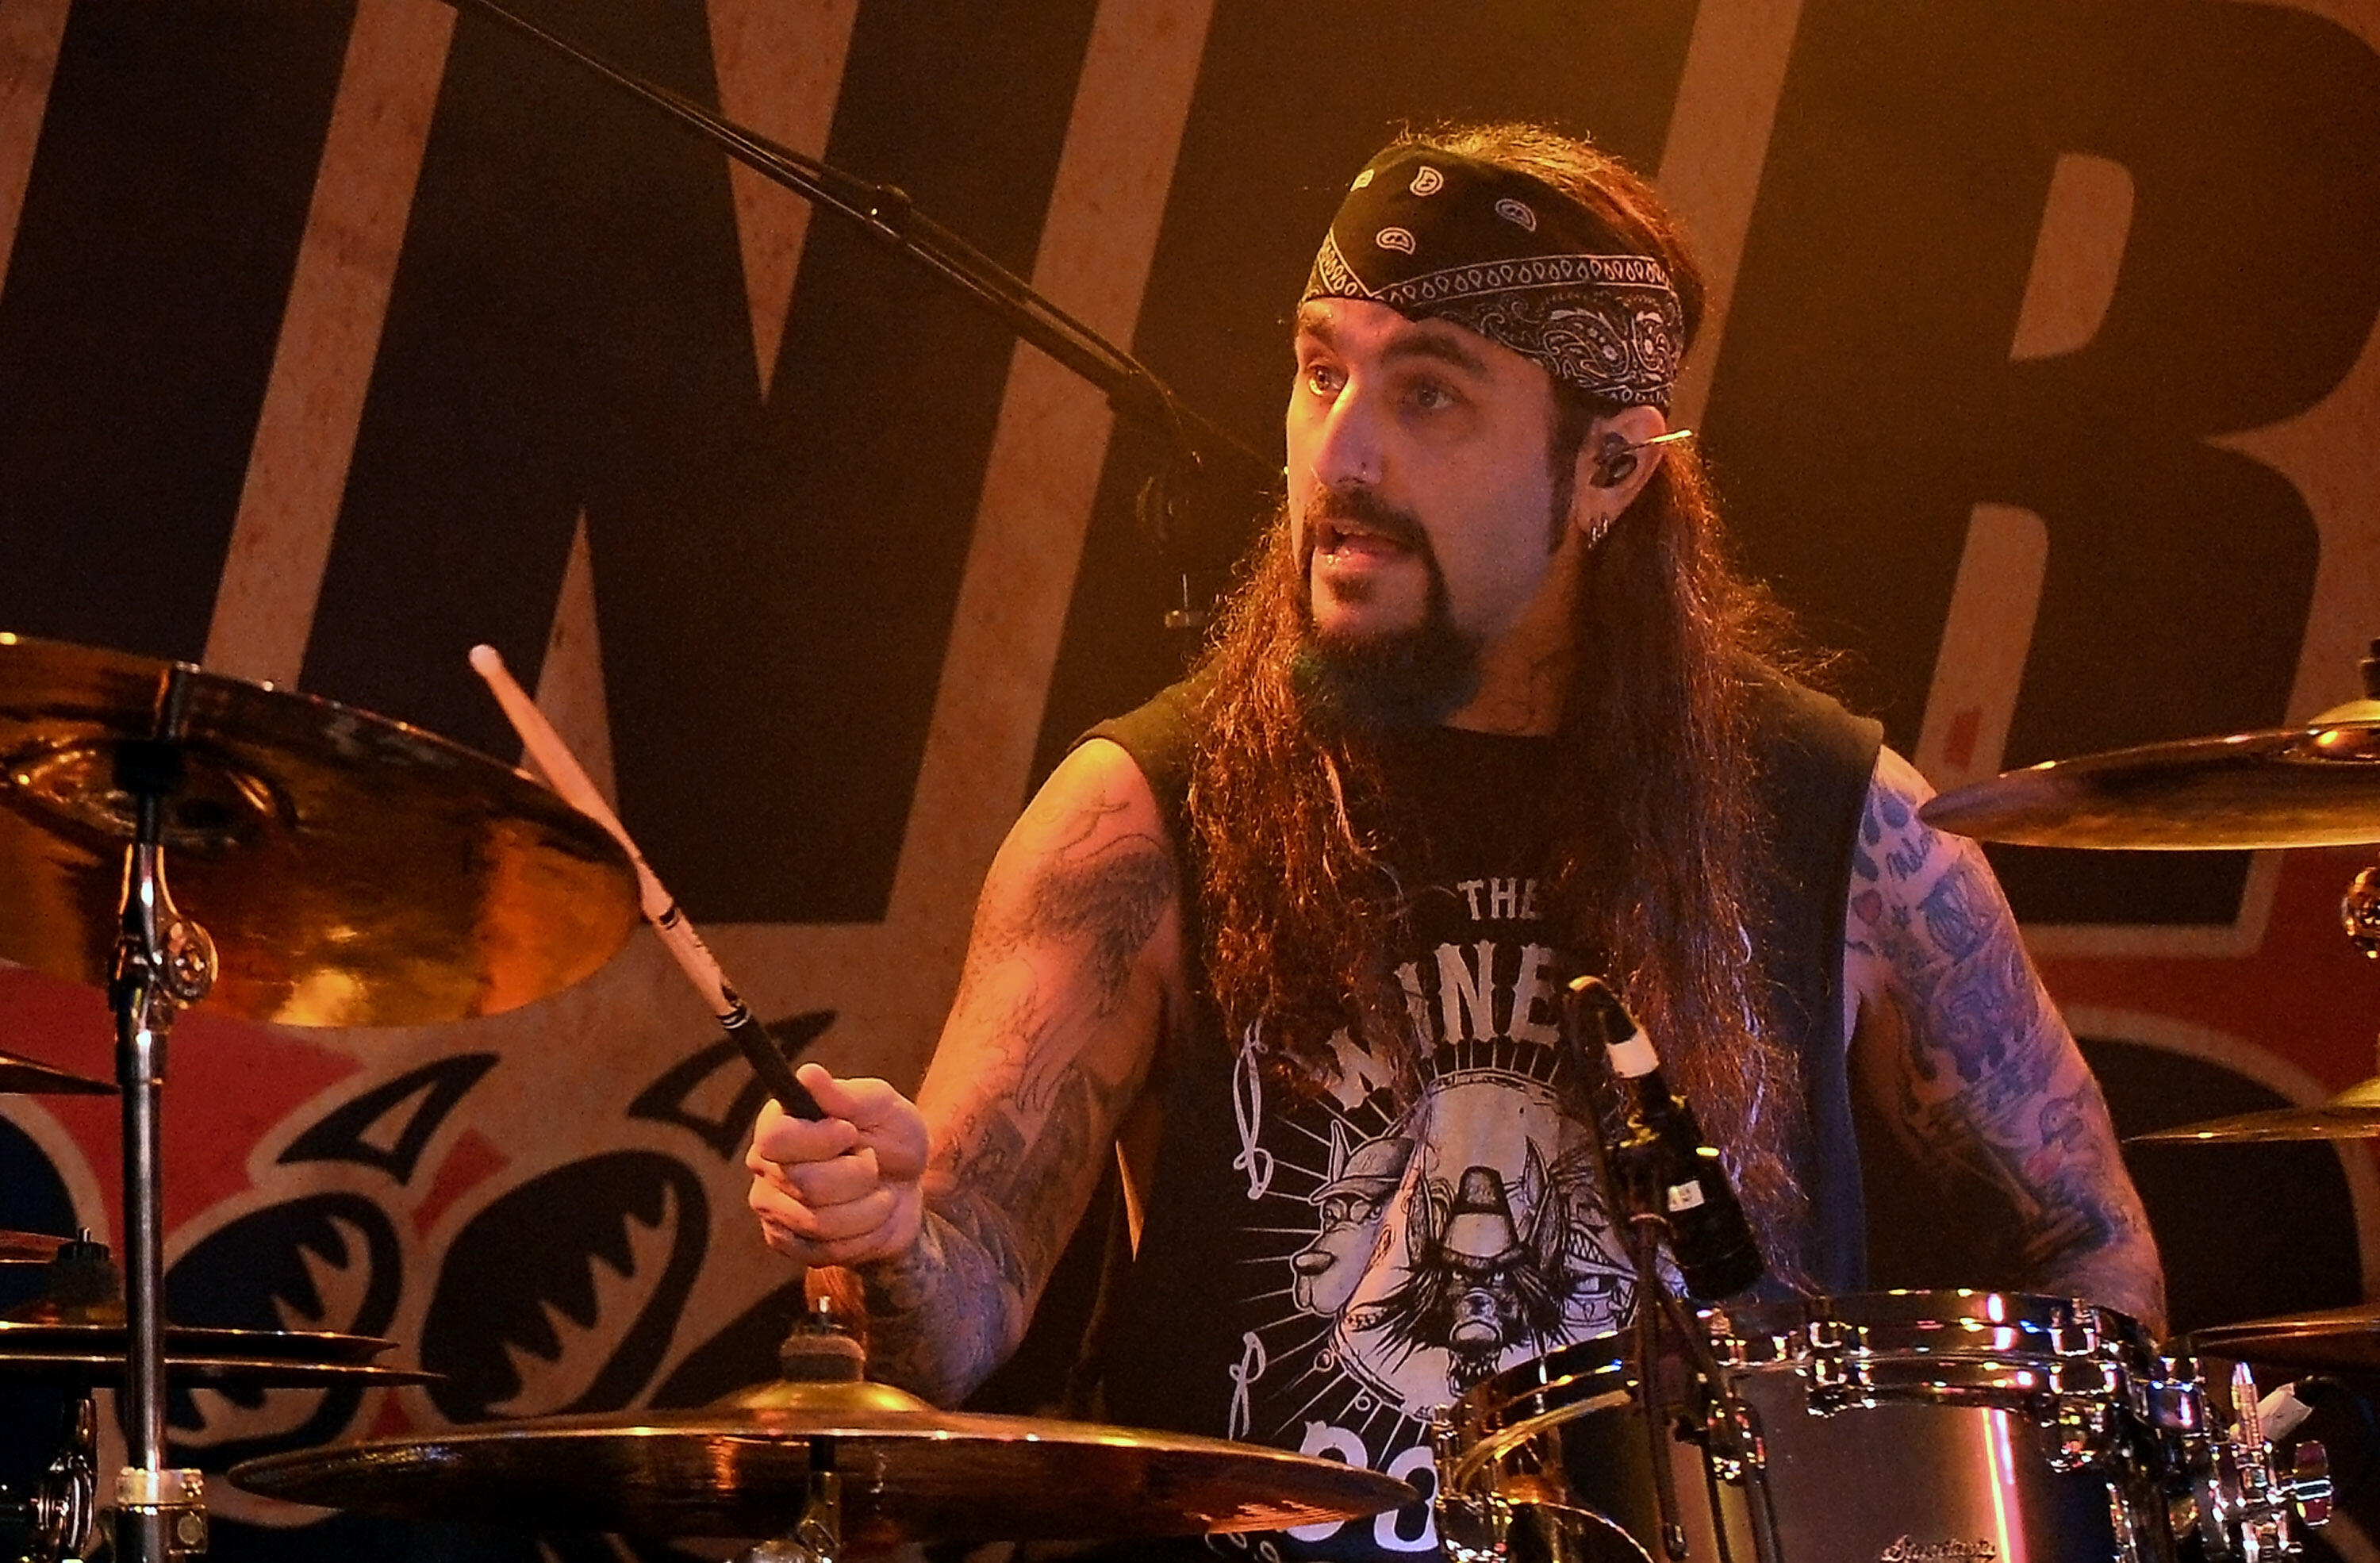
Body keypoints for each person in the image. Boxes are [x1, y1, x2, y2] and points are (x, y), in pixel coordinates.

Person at [747, 121, 2164, 1556]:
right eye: (1322, 372)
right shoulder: (1134, 818)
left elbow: (2085, 1245)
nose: (1341, 454)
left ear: (1611, 469)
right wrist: (885, 1233)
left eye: (1428, 394)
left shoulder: (1840, 820)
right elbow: (958, 1306)